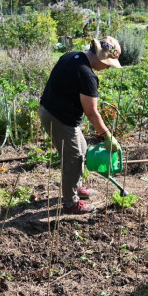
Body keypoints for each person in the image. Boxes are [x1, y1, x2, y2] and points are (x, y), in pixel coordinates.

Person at [39, 36, 122, 214]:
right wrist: (106, 135)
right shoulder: (87, 75)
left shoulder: (71, 56)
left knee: (82, 148)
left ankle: (76, 187)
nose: (107, 67)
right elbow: (91, 113)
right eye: (107, 63)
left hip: (50, 110)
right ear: (100, 57)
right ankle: (70, 203)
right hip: (59, 118)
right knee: (73, 158)